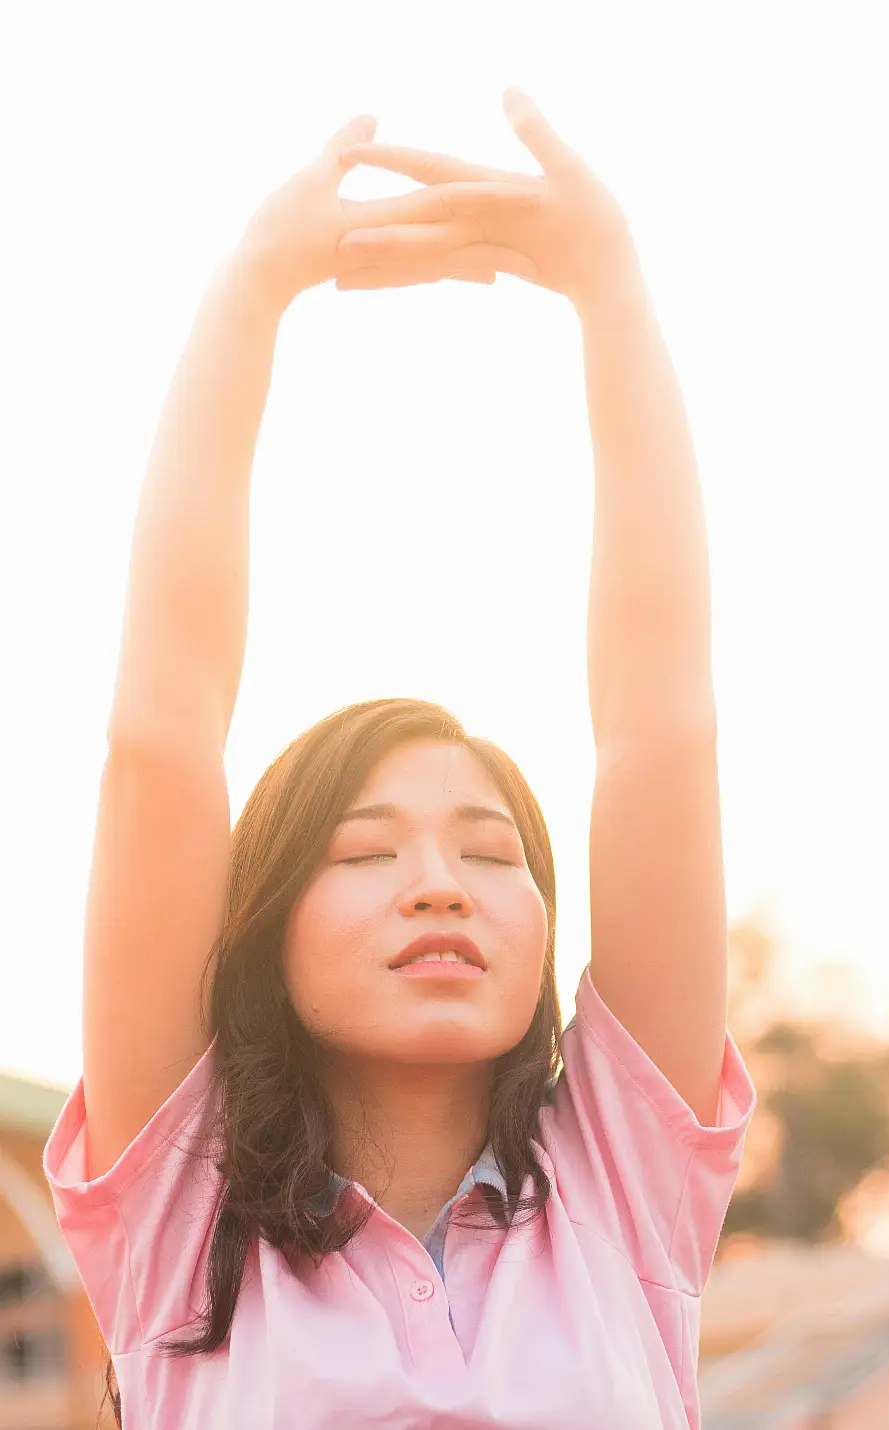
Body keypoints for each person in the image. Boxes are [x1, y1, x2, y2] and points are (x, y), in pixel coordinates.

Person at [43, 95, 756, 1430]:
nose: (440, 883)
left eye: (491, 852)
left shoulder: (622, 1187)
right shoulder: (182, 1208)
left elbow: (663, 725)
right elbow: (161, 738)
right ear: (265, 927)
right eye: (366, 851)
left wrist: (611, 290)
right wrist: (250, 292)